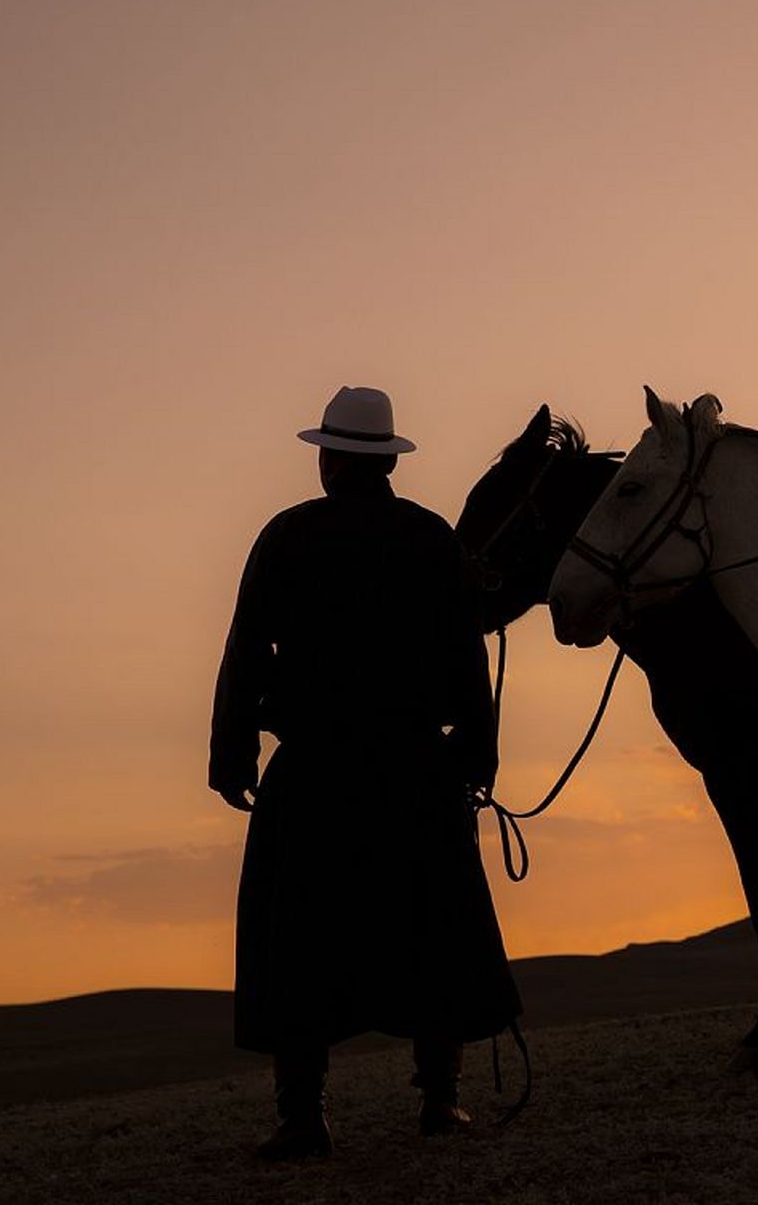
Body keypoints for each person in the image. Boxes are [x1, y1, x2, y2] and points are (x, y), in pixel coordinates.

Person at [209, 385, 519, 1160]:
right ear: (383, 460)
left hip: (314, 771)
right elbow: (466, 660)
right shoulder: (430, 539)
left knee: (299, 941)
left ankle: (303, 1115)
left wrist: (231, 754)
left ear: (331, 460)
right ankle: (440, 1103)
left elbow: (246, 650)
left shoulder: (286, 537)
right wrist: (476, 758)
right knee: (433, 928)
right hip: (416, 767)